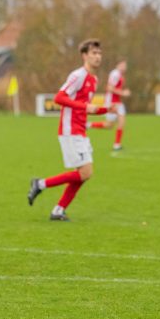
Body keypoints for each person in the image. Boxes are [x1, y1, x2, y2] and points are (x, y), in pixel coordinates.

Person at [27, 39, 113, 221]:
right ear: (84, 56)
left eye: (99, 53)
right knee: (85, 172)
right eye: (93, 53)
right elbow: (59, 97)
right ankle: (40, 184)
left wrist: (106, 109)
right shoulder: (78, 75)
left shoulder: (94, 79)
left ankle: (58, 210)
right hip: (69, 130)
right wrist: (84, 107)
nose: (98, 57)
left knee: (83, 176)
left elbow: (86, 107)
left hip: (80, 131)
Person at [89, 60, 130, 151]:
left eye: (125, 65)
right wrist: (123, 93)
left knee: (120, 122)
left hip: (117, 102)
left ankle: (117, 144)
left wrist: (121, 93)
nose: (124, 67)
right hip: (112, 102)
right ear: (118, 64)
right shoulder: (115, 74)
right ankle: (88, 125)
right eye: (123, 65)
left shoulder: (119, 74)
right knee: (109, 125)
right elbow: (109, 88)